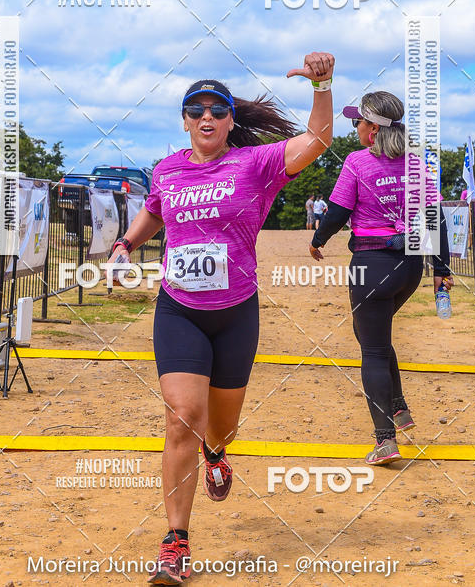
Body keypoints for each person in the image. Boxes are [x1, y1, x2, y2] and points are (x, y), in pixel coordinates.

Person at [107, 53, 335, 585]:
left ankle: (217, 451)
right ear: (184, 120)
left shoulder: (256, 165)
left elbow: (319, 140)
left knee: (221, 425)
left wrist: (322, 84)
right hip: (179, 310)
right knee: (182, 416)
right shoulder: (167, 169)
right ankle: (176, 541)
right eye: (196, 110)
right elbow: (155, 210)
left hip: (235, 314)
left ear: (231, 120)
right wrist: (124, 244)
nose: (206, 117)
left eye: (217, 109)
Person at [309, 91, 452, 465]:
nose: (355, 127)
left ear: (373, 129)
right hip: (409, 267)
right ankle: (400, 409)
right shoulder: (417, 164)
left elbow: (338, 213)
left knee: (371, 348)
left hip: (370, 264)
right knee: (374, 336)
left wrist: (318, 239)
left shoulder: (357, 162)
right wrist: (442, 269)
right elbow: (436, 218)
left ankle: (385, 440)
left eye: (359, 121)